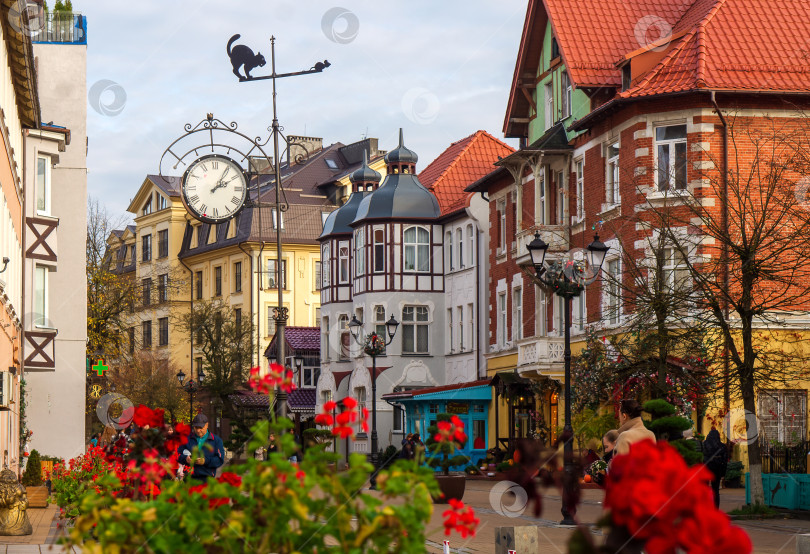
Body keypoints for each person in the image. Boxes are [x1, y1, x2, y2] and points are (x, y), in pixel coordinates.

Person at [176, 414, 224, 482]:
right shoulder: (186, 439)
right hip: (188, 479)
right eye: (196, 427)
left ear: (207, 425)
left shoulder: (216, 440)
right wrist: (186, 459)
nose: (198, 430)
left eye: (201, 428)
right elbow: (177, 455)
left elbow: (220, 460)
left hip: (207, 479)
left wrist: (205, 461)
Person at [703, 428, 728, 508]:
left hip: (706, 469)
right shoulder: (722, 446)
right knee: (715, 490)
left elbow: (701, 457)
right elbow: (725, 461)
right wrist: (723, 473)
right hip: (717, 469)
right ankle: (715, 508)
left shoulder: (704, 445)